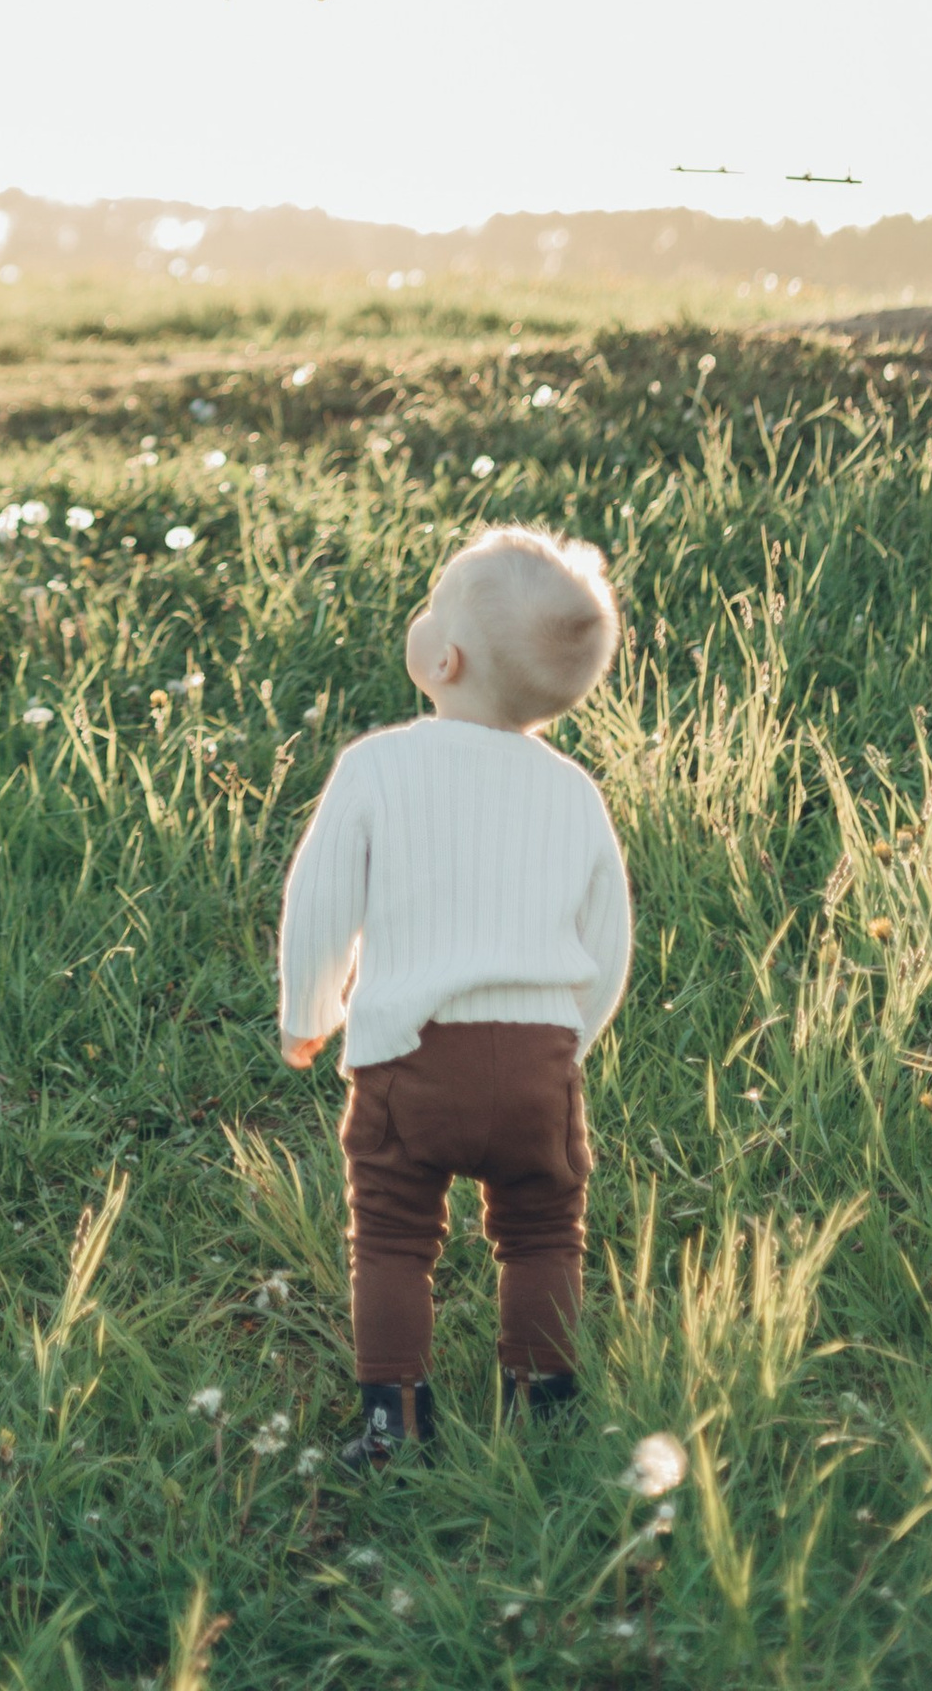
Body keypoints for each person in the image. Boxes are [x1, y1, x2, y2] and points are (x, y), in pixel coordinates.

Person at [277, 526, 632, 1466]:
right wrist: (566, 1041)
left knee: (393, 1235)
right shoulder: (575, 793)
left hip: (410, 1054)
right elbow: (609, 939)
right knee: (545, 1231)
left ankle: (396, 1420)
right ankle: (543, 1403)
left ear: (443, 657)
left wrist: (308, 1015)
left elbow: (320, 901)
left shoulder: (378, 766)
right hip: (538, 1062)